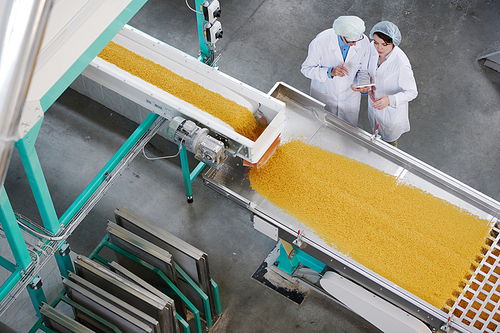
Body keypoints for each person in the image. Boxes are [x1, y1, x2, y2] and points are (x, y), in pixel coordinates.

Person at [301, 16, 371, 126]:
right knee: (319, 128)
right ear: (341, 35)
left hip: (349, 99)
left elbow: (364, 70)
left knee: (346, 134)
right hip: (325, 95)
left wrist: (363, 84)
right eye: (351, 41)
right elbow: (306, 69)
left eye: (357, 40)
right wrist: (330, 72)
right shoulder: (321, 41)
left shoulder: (364, 42)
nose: (355, 44)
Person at [366, 21, 418, 147]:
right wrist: (368, 84)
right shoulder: (372, 49)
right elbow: (367, 69)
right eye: (376, 42)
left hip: (391, 114)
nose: (379, 48)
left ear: (393, 42)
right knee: (375, 134)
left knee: (389, 145)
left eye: (384, 44)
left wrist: (389, 100)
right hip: (375, 105)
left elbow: (412, 92)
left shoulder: (401, 63)